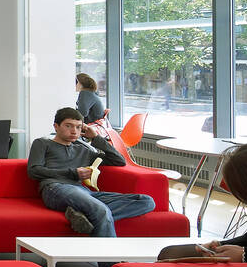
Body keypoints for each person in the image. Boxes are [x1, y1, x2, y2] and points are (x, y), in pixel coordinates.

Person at [27, 107, 154, 252]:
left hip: (85, 193)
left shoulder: (84, 151)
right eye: (68, 126)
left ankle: (84, 216)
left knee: (146, 201)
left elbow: (119, 160)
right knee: (100, 211)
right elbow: (33, 171)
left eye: (78, 127)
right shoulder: (43, 144)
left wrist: (96, 138)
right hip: (55, 188)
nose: (74, 131)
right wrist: (73, 173)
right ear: (56, 126)